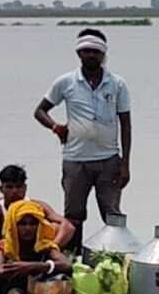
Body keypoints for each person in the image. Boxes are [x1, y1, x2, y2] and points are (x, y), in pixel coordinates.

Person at [31, 29, 132, 250]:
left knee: (112, 216)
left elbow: (125, 124)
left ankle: (116, 257)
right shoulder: (66, 82)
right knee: (73, 217)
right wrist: (55, 126)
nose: (91, 56)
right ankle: (71, 261)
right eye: (86, 51)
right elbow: (40, 111)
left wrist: (125, 163)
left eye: (95, 52)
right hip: (75, 160)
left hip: (109, 160)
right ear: (79, 54)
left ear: (103, 54)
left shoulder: (117, 84)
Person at [0, 164, 77, 248]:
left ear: (25, 188)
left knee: (55, 227)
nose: (15, 191)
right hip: (4, 248)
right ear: (1, 189)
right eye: (9, 187)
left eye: (18, 186)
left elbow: (68, 227)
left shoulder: (37, 206)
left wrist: (52, 246)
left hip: (35, 249)